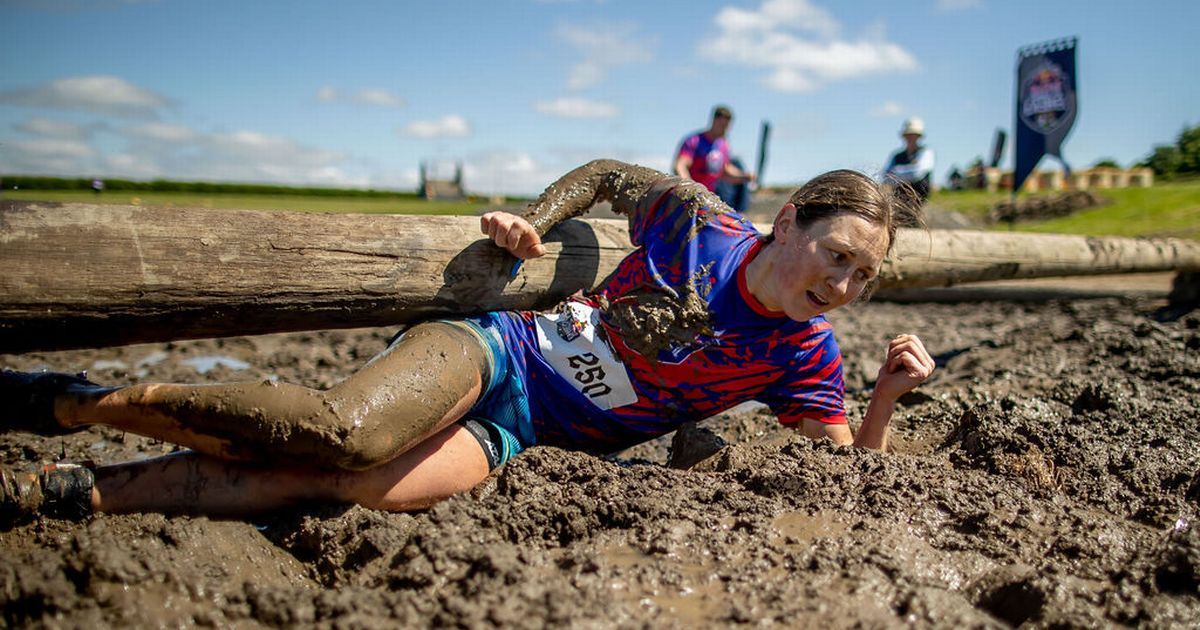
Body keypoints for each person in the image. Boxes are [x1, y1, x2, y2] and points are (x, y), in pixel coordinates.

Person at [1, 159, 934, 521]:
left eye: (865, 277)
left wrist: (883, 398)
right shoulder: (700, 226)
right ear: (787, 222)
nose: (843, 286)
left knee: (360, 487)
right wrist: (533, 222)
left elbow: (840, 469)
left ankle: (92, 495)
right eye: (838, 255)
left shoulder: (801, 356)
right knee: (348, 432)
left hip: (524, 433)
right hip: (503, 349)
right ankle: (75, 400)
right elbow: (610, 175)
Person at [675, 105, 755, 204]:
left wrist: (744, 176)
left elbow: (725, 171)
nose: (724, 130)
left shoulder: (723, 145)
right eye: (722, 125)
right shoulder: (694, 141)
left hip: (710, 197)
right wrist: (690, 187)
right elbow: (680, 165)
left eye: (727, 126)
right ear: (714, 121)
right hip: (691, 197)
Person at [883, 118, 935, 202]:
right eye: (909, 134)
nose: (911, 137)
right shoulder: (896, 156)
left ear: (919, 136)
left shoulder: (926, 152)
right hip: (899, 197)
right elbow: (886, 176)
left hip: (919, 196)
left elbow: (917, 174)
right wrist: (909, 170)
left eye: (914, 135)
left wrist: (896, 172)